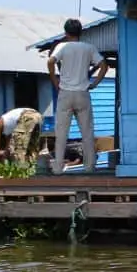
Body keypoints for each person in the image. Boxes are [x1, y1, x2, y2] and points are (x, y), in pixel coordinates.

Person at [48, 18, 108, 173]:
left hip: (65, 93)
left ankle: (58, 168)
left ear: (66, 32)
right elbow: (103, 66)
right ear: (80, 32)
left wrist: (55, 80)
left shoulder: (62, 46)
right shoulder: (88, 48)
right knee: (87, 132)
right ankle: (89, 167)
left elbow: (50, 61)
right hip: (82, 92)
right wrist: (94, 84)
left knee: (61, 132)